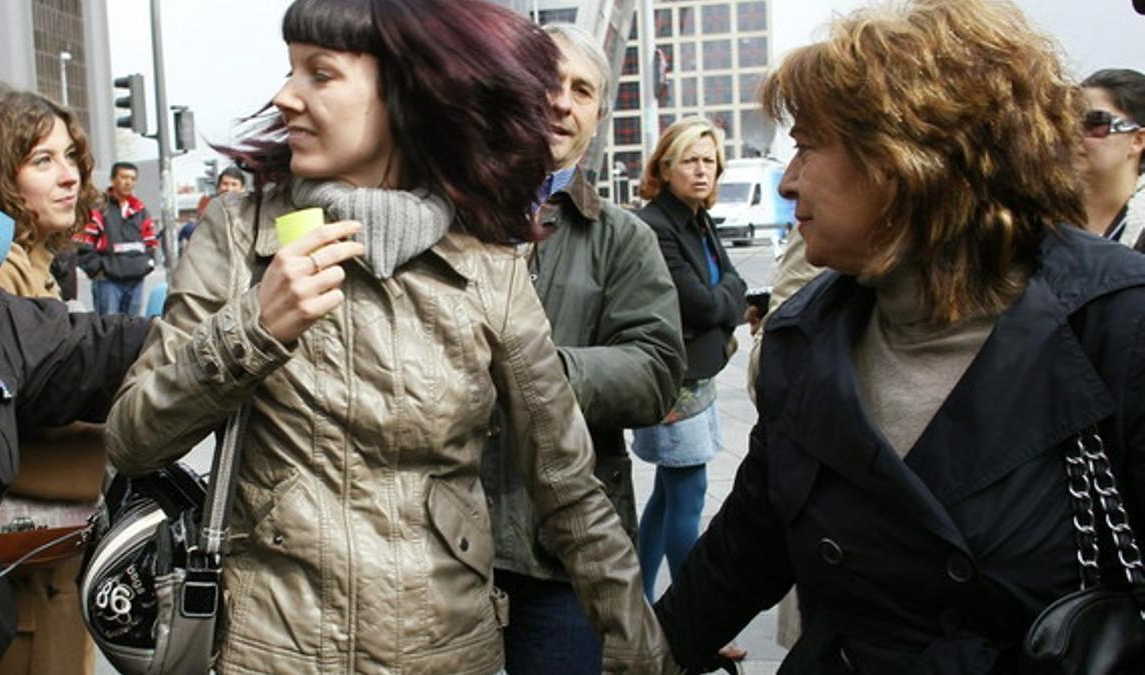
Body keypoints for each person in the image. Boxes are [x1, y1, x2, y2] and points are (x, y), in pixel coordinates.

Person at [104, 1, 674, 673]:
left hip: (446, 651)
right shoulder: (239, 233)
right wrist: (254, 328)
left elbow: (568, 483)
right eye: (289, 70)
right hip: (270, 652)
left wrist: (640, 647)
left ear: (410, 87)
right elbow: (132, 437)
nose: (285, 97)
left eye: (321, 73)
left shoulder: (487, 260)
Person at [653, 1, 1145, 673]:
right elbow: (744, 550)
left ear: (908, 155)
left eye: (808, 144)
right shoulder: (804, 338)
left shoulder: (1117, 319)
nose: (789, 178)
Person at [479, 22, 684, 675]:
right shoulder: (448, 221)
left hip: (563, 559)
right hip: (445, 553)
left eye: (582, 89)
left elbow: (656, 370)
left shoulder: (620, 238)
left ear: (597, 114)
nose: (561, 101)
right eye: (546, 82)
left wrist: (541, 370)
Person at [0, 85, 115, 675]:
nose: (68, 176)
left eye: (70, 156)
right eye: (42, 160)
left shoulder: (35, 261)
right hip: (18, 590)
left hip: (47, 580)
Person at [0, 246, 148, 674]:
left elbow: (64, 352)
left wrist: (194, 339)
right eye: (42, 170)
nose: (67, 180)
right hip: (27, 576)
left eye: (77, 172)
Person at [632, 116, 748, 605]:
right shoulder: (656, 225)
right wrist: (727, 303)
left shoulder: (696, 217)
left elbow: (733, 284)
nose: (702, 171)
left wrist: (725, 300)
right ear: (664, 167)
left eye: (709, 161)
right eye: (690, 161)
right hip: (674, 384)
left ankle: (635, 603)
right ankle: (691, 615)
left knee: (667, 496)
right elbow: (700, 302)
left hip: (696, 380)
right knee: (687, 496)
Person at [75, 161, 157, 315]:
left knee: (132, 329)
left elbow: (150, 241)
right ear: (113, 180)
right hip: (107, 282)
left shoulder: (140, 210)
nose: (128, 182)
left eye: (133, 179)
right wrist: (98, 269)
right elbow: (84, 243)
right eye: (124, 177)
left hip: (136, 280)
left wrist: (147, 264)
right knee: (108, 331)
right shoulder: (99, 208)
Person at [1077, 68, 1144, 249]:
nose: (1072, 134)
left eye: (1094, 124)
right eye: (1065, 121)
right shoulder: (1037, 218)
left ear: (1137, 140)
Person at [180, 166, 249, 253]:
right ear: (218, 188)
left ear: (242, 189)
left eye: (234, 184)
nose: (229, 189)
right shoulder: (209, 205)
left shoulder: (249, 208)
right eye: (225, 184)